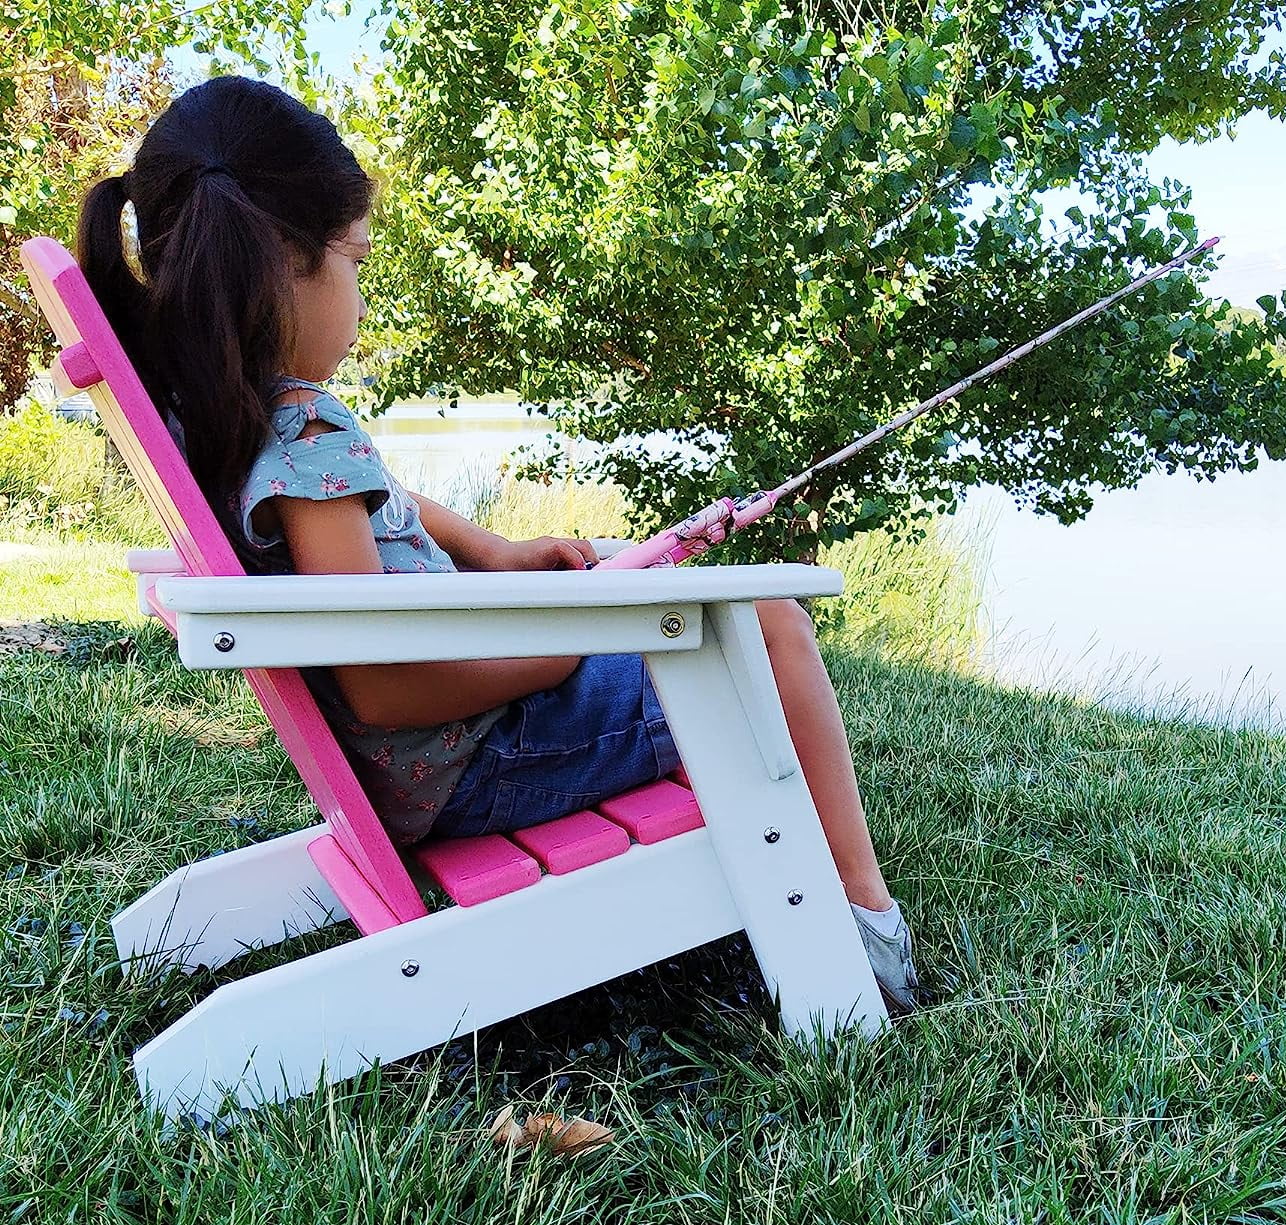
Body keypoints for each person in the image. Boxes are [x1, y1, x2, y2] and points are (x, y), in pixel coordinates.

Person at [76, 75, 919, 1016]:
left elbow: (371, 502)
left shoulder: (223, 417)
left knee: (704, 615)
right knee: (766, 624)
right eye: (357, 260)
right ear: (282, 260)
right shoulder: (305, 427)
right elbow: (385, 685)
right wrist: (564, 638)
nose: (361, 291)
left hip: (425, 767)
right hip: (481, 763)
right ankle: (863, 923)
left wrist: (494, 551)